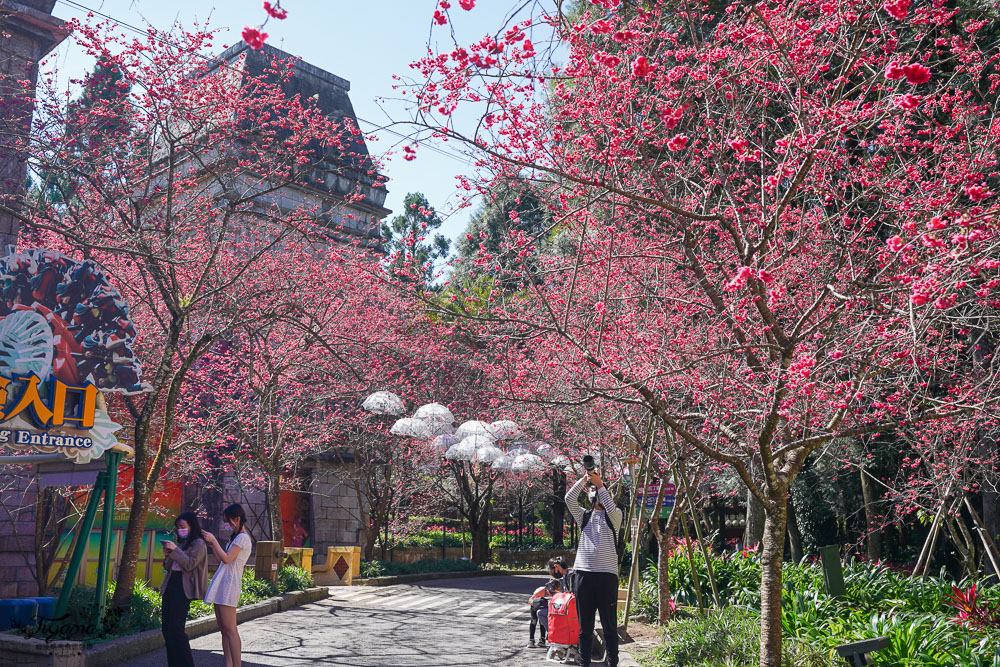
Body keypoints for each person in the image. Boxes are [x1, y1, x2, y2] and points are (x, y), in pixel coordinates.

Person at [566, 469, 623, 667]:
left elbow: (610, 506)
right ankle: (584, 663)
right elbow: (568, 499)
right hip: (583, 575)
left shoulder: (615, 516)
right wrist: (584, 479)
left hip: (607, 576)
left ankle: (613, 663)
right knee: (585, 627)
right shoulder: (584, 516)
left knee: (609, 625)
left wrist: (600, 484)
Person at [204, 504, 253, 667]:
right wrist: (213, 546)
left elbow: (227, 559)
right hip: (223, 583)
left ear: (237, 519)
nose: (227, 525)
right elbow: (223, 561)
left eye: (228, 521)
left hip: (229, 585)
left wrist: (214, 541)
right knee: (224, 629)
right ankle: (228, 664)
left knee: (230, 629)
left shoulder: (242, 538)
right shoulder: (235, 537)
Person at [160, 512, 208, 667]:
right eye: (178, 527)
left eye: (182, 526)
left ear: (191, 526)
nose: (180, 530)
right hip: (170, 584)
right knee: (166, 629)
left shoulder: (198, 543)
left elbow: (189, 565)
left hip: (183, 588)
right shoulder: (181, 544)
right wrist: (168, 555)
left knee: (176, 629)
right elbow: (169, 567)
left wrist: (175, 550)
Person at [527, 578, 562, 648]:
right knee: (534, 621)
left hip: (546, 607)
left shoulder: (558, 592)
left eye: (555, 592)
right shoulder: (541, 590)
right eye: (551, 591)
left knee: (542, 621)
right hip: (536, 605)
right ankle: (531, 640)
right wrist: (536, 602)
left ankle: (542, 640)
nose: (552, 593)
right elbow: (530, 600)